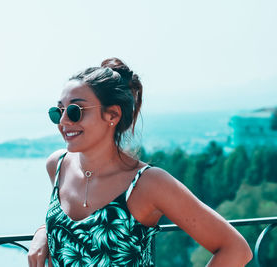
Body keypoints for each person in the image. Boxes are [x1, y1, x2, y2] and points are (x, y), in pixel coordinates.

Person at [28, 58, 253, 267]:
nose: (64, 121)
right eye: (58, 111)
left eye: (76, 110)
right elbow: (71, 231)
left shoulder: (147, 183)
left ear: (112, 115)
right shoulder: (57, 166)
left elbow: (235, 249)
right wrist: (44, 230)